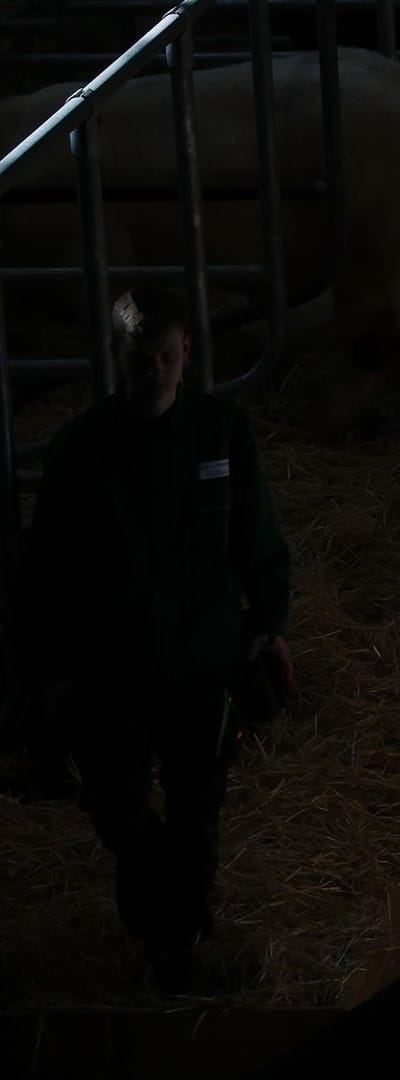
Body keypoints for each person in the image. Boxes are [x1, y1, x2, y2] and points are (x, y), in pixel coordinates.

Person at [21, 287, 293, 995]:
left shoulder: (221, 435)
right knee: (119, 804)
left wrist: (268, 623)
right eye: (144, 359)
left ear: (187, 353)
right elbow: (47, 567)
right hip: (114, 662)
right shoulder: (82, 452)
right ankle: (169, 918)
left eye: (169, 357)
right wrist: (50, 668)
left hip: (203, 656)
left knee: (199, 803)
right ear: (119, 358)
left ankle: (174, 951)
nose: (158, 372)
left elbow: (256, 538)